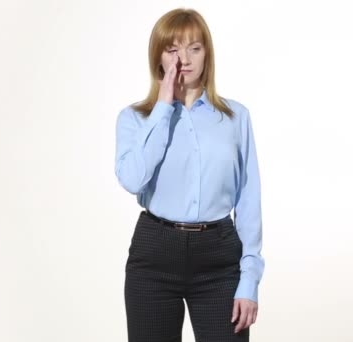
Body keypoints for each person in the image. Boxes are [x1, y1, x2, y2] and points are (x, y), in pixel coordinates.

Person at [114, 8, 264, 342]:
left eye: (194, 48)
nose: (184, 59)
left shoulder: (236, 117)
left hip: (219, 258)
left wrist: (250, 279)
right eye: (173, 50)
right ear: (159, 57)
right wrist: (164, 107)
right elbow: (132, 179)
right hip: (155, 254)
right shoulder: (135, 118)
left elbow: (248, 198)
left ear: (207, 54)